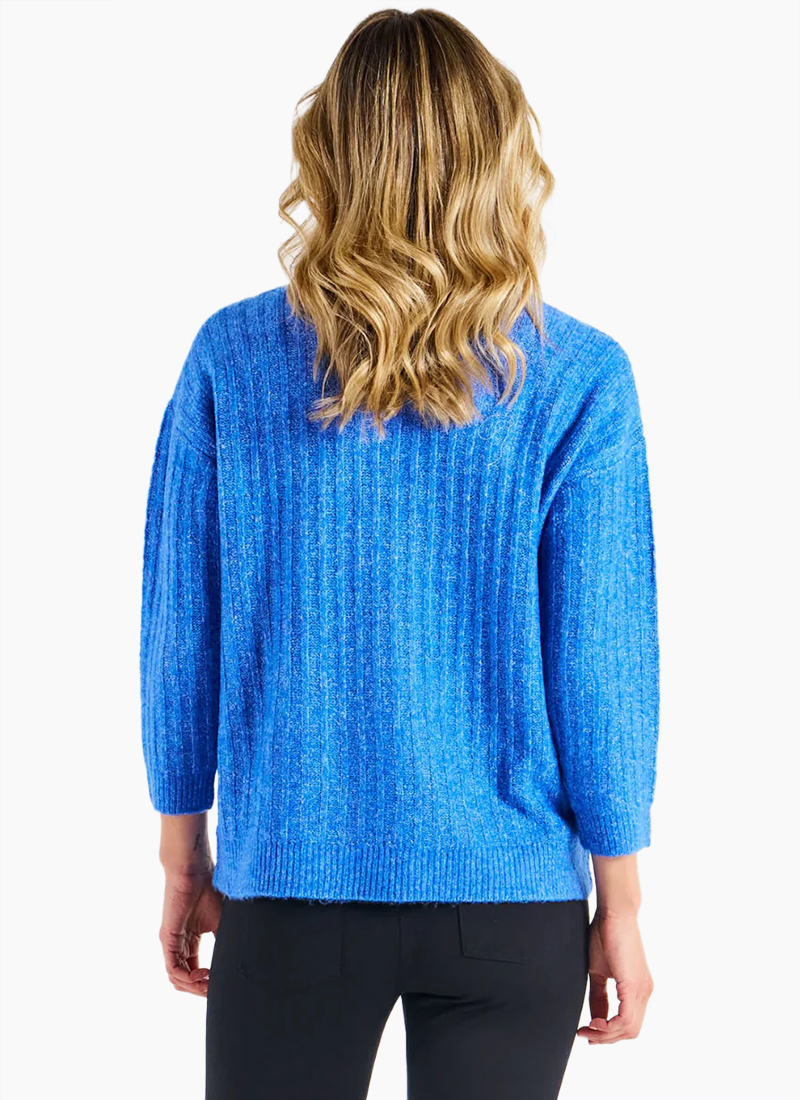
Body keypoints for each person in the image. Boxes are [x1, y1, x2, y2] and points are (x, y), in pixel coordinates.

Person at [140, 8, 659, 1100]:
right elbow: (603, 666)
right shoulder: (578, 378)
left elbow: (181, 631)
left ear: (330, 152)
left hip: (290, 887)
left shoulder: (233, 356)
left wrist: (182, 849)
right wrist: (620, 898)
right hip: (511, 903)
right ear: (501, 155)